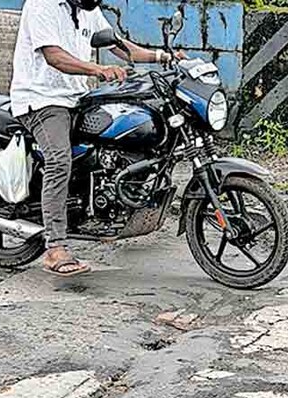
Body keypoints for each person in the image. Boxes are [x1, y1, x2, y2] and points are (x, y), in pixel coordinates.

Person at [10, 0, 182, 276]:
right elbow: (53, 55)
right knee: (59, 159)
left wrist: (164, 58)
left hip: (77, 97)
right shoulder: (42, 5)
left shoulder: (87, 9)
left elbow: (120, 46)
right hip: (42, 99)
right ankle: (54, 247)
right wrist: (96, 69)